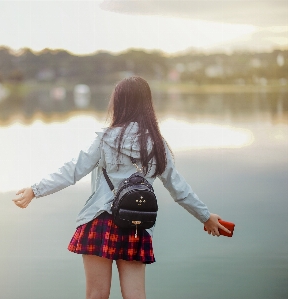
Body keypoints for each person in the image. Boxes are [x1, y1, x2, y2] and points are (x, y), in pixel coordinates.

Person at [13, 76, 230, 299]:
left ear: (119, 103)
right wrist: (205, 216)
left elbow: (72, 171)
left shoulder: (106, 139)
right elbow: (179, 189)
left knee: (96, 294)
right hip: (137, 225)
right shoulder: (158, 145)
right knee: (135, 295)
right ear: (147, 104)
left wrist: (35, 190)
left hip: (100, 220)